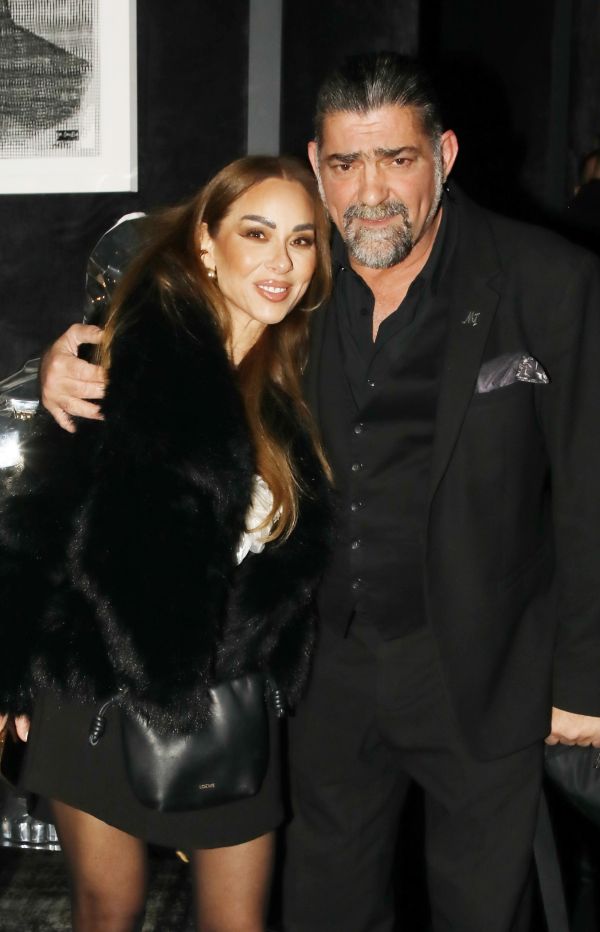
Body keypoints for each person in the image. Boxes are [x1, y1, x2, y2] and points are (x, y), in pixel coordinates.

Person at [38, 52, 600, 932]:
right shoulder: (297, 273)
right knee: (325, 908)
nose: (370, 192)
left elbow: (590, 488)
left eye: (397, 159)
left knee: (485, 910)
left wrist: (585, 679)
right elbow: (178, 290)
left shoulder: (548, 279)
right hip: (323, 674)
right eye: (344, 164)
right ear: (316, 165)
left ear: (444, 155)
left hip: (481, 668)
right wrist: (69, 359)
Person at [0, 154, 333, 932]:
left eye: (302, 240)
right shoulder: (123, 359)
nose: (282, 261)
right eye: (257, 233)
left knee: (237, 922)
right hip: (97, 694)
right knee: (108, 912)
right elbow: (38, 520)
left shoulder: (304, 374)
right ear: (207, 244)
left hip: (233, 700)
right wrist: (7, 676)